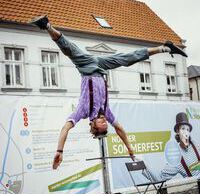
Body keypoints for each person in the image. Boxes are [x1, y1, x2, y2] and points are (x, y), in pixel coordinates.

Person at [30, 15, 188, 170]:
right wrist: (130, 150)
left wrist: (59, 151)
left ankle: (47, 25)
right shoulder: (107, 112)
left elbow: (65, 128)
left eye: (101, 126)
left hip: (87, 67)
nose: (105, 123)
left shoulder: (82, 111)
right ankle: (165, 47)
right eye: (106, 126)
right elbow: (120, 130)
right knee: (128, 58)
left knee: (69, 49)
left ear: (93, 126)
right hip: (101, 67)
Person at [161, 112, 200, 179]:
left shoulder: (195, 144)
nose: (186, 132)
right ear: (177, 131)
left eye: (188, 129)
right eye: (183, 129)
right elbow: (162, 177)